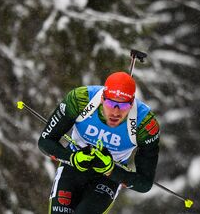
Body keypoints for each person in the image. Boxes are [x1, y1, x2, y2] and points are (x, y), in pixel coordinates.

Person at [38, 71, 161, 213]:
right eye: (110, 103)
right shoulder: (80, 100)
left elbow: (144, 184)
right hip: (73, 167)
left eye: (123, 107)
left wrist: (110, 170)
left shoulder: (145, 124)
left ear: (132, 103)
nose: (115, 112)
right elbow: (45, 142)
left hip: (107, 178)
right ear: (102, 98)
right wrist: (72, 158)